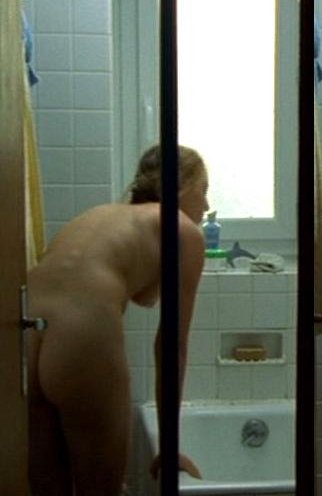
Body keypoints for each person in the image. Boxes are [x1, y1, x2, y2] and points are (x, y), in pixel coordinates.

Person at [26, 145, 208, 494]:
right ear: (185, 187)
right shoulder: (182, 229)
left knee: (47, 487)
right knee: (101, 488)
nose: (207, 204)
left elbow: (141, 295)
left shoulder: (102, 215)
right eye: (205, 189)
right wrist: (168, 445)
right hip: (80, 329)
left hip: (23, 326)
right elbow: (172, 346)